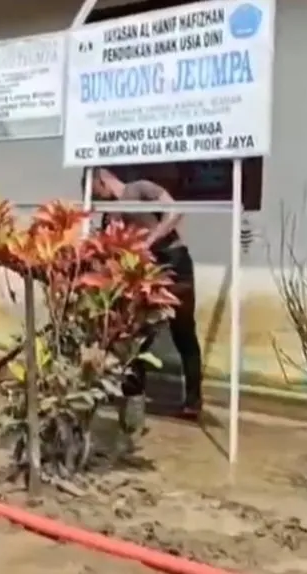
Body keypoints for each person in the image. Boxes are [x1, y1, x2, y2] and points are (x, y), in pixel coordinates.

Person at [88, 167, 204, 424]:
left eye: (93, 189)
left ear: (102, 180)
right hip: (140, 271)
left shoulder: (140, 189)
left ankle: (193, 402)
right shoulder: (111, 214)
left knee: (183, 331)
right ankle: (134, 399)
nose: (94, 196)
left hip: (173, 263)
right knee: (133, 334)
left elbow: (175, 210)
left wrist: (148, 241)